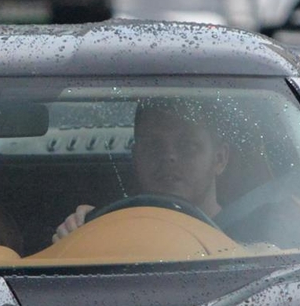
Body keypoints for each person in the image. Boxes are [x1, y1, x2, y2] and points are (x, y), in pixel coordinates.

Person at [54, 98, 232, 242]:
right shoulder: (109, 234)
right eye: (153, 145)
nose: (168, 156)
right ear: (136, 157)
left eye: (187, 146)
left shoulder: (253, 237)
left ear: (219, 159)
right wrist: (79, 238)